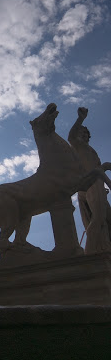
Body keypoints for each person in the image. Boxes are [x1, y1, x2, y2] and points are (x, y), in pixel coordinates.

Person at [68, 107, 111, 253]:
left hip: (95, 186)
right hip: (90, 184)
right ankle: (90, 256)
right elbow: (71, 137)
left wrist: (105, 167)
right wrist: (80, 119)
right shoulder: (78, 146)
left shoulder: (90, 150)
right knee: (98, 220)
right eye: (82, 132)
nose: (85, 134)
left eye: (86, 133)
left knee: (105, 221)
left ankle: (102, 249)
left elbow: (98, 168)